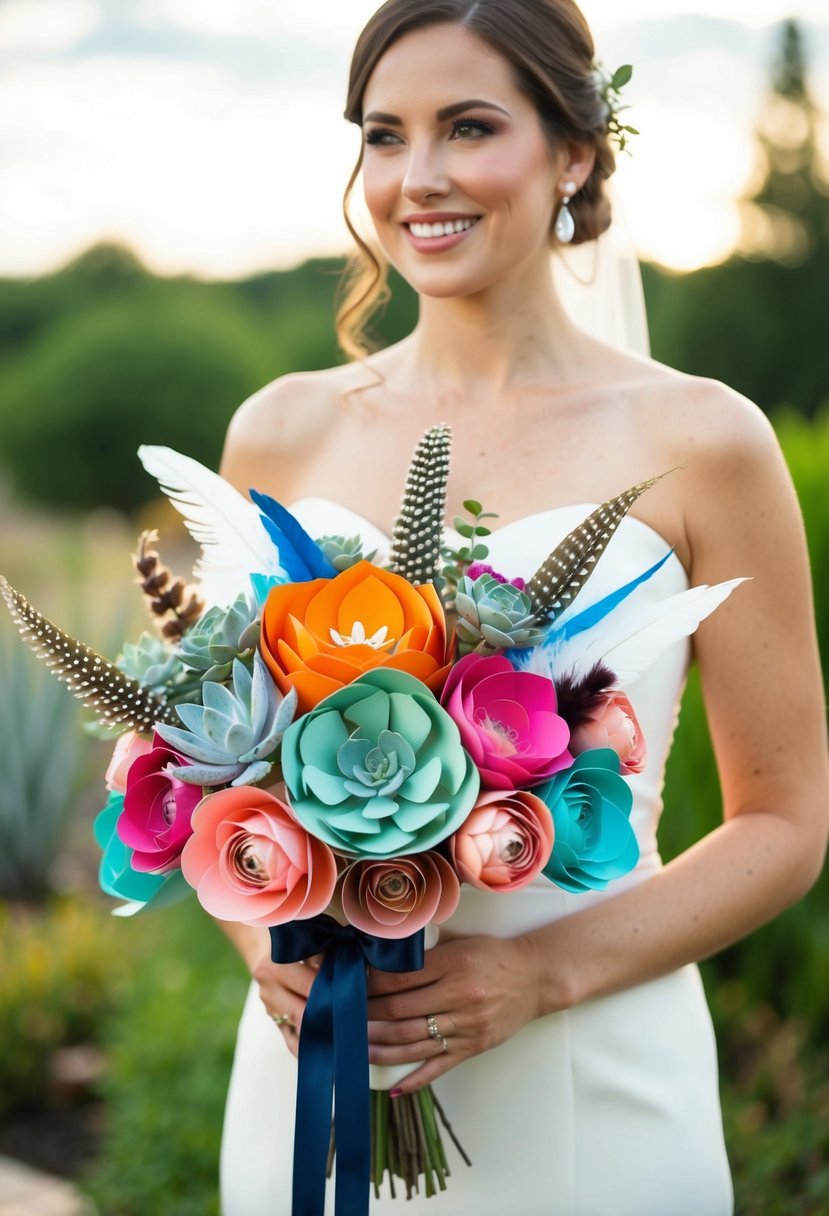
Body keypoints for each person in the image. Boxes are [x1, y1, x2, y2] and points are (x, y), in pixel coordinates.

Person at [214, 2, 829, 1213]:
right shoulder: (278, 430)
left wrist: (537, 976)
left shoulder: (704, 441)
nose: (419, 178)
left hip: (589, 1074)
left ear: (577, 152)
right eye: (384, 136)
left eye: (470, 126)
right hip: (315, 1072)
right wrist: (263, 949)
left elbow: (787, 823)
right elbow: (203, 759)